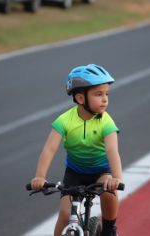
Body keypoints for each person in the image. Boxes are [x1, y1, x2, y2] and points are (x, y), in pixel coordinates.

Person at [30, 64, 123, 236]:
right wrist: (40, 176)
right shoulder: (64, 120)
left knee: (109, 192)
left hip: (101, 172)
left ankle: (109, 229)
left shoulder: (106, 122)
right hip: (75, 173)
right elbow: (49, 150)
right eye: (98, 94)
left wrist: (116, 178)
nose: (105, 99)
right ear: (80, 98)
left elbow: (112, 151)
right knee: (65, 215)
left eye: (106, 94)